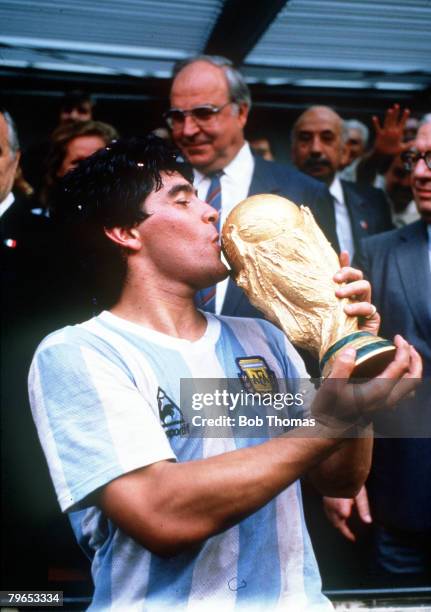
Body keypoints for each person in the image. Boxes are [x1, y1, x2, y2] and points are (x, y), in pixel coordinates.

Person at [28, 135, 420, 610]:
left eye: (199, 196)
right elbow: (159, 514)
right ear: (125, 232)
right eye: (182, 199)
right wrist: (328, 424)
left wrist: (349, 359)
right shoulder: (81, 353)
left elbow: (340, 480)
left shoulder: (265, 339)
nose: (210, 212)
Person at [323, 118, 431, 585]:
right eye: (415, 158)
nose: (420, 173)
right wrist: (341, 473)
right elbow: (349, 363)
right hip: (400, 501)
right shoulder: (377, 252)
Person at [167, 55, 339, 317]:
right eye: (178, 117)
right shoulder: (156, 193)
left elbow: (324, 304)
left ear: (242, 112)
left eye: (204, 113)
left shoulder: (303, 194)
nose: (188, 130)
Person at [291, 105, 393, 262]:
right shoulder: (278, 204)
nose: (316, 149)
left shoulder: (374, 202)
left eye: (327, 138)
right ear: (293, 152)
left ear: (344, 152)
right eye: (305, 138)